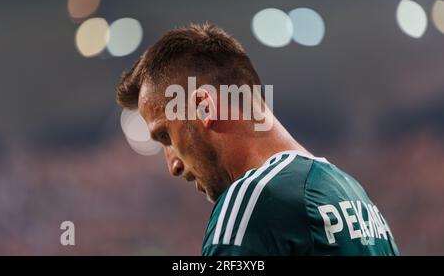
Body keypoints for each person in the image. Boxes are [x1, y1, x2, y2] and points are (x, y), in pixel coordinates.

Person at [115, 23, 399, 256]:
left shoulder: (254, 200)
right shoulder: (358, 200)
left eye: (165, 136)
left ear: (204, 108)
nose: (173, 165)